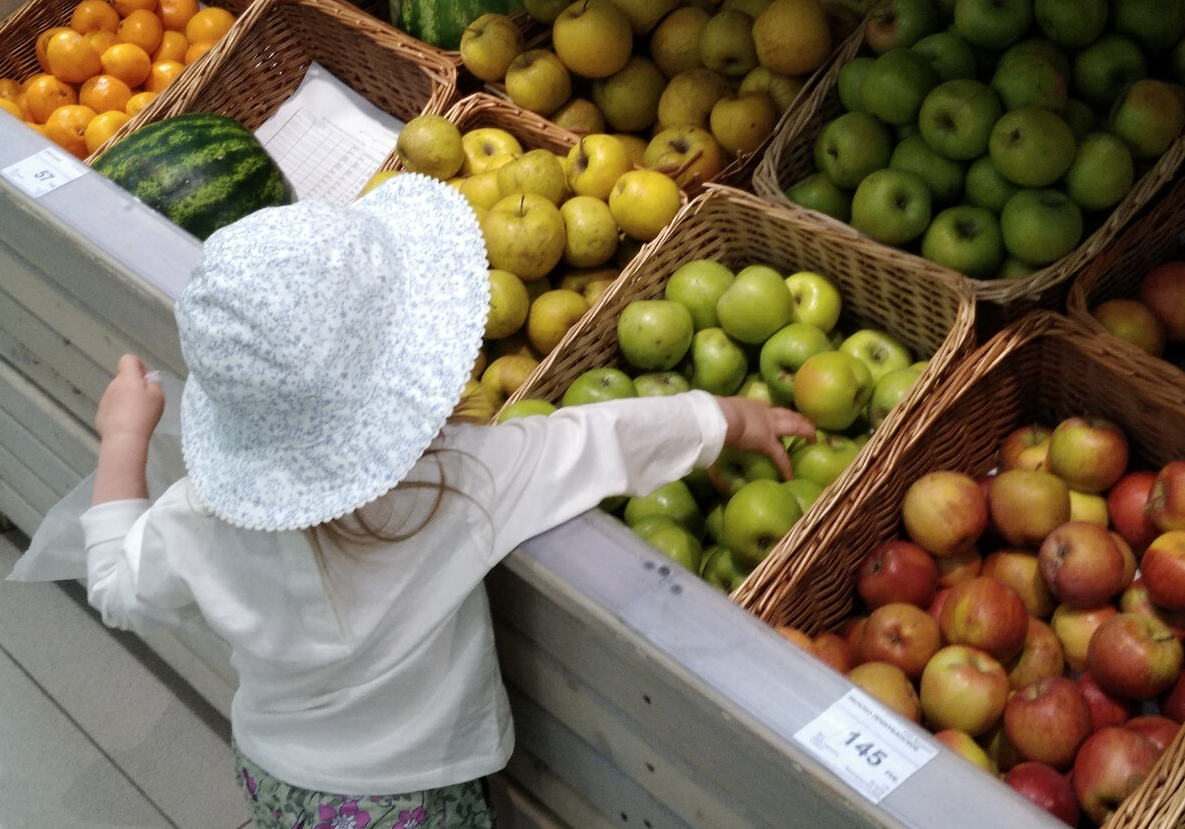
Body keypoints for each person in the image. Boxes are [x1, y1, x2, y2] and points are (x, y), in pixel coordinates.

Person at [82, 172, 816, 829]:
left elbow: (116, 588)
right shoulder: (457, 487)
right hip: (417, 804)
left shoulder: (197, 519)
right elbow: (598, 441)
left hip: (282, 783)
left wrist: (123, 437)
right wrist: (721, 418)